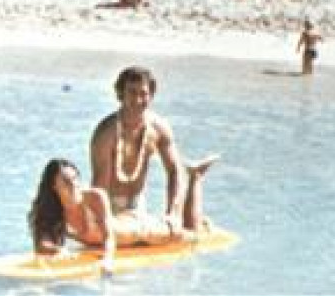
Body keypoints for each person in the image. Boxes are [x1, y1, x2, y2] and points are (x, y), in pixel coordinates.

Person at [88, 66, 219, 246]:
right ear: (120, 94)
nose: (138, 100)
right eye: (131, 93)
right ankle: (196, 190)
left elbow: (175, 171)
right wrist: (102, 223)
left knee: (179, 235)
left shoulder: (158, 128)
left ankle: (195, 178)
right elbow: (99, 185)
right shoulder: (106, 133)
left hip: (136, 204)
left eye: (143, 94)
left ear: (151, 96)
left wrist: (173, 213)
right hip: (108, 204)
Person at [28, 158, 117, 268]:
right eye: (66, 181)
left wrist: (108, 259)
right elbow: (42, 244)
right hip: (96, 245)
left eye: (75, 178)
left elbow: (109, 237)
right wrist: (58, 250)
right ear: (54, 186)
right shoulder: (51, 211)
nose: (73, 184)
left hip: (134, 234)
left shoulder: (95, 197)